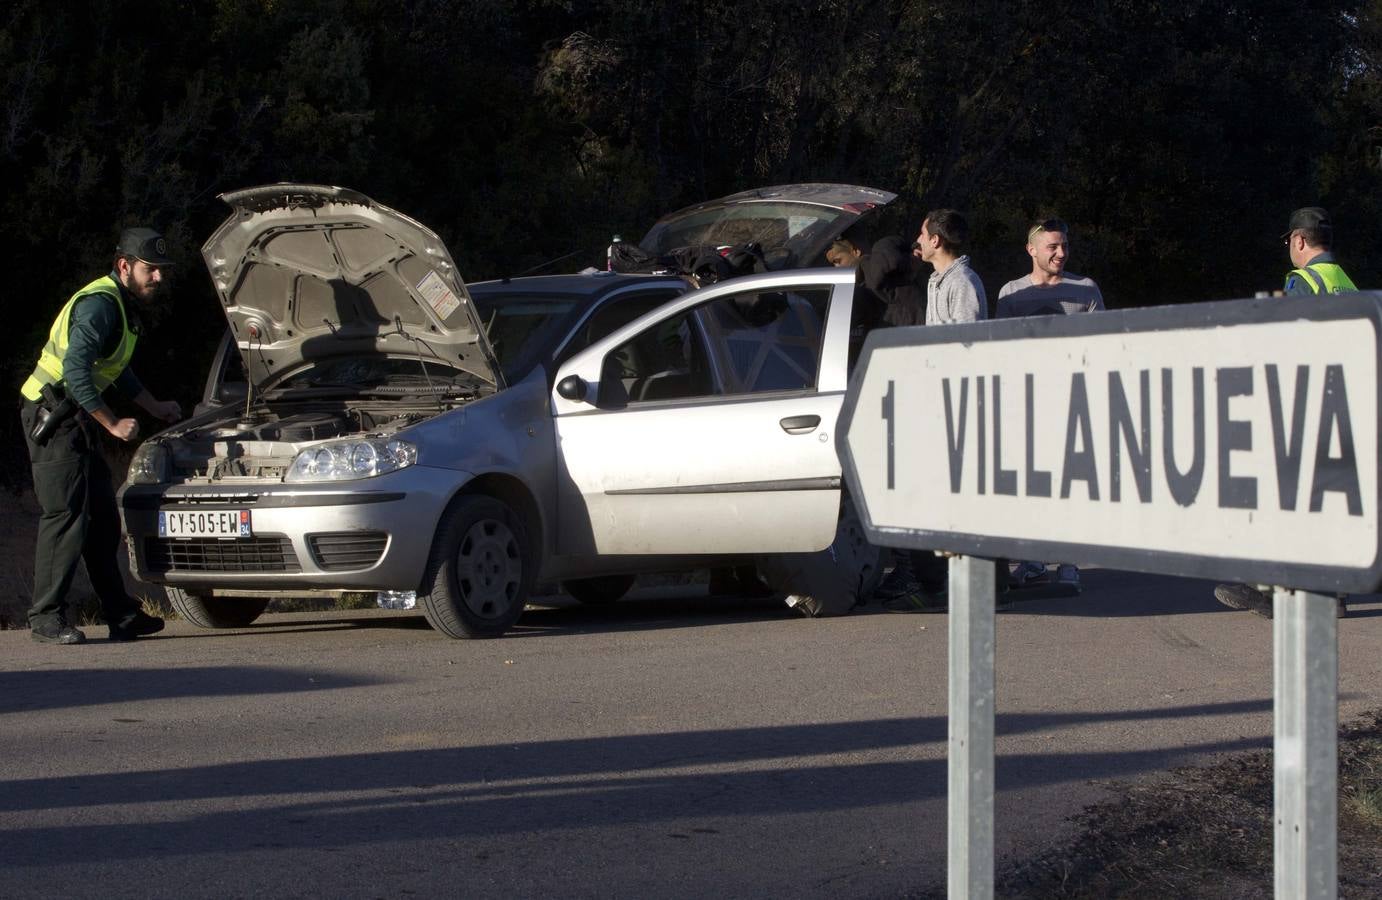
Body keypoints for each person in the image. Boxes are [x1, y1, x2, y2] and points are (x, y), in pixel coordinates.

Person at [20, 227, 183, 644]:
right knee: (65, 517)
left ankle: (121, 615)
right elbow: (75, 371)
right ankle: (45, 618)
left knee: (102, 521)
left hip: (74, 419)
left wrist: (153, 406)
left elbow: (115, 369)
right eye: (152, 269)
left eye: (163, 270)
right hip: (53, 420)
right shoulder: (100, 305)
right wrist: (112, 423)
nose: (159, 278)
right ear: (124, 266)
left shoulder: (119, 305)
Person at [1214, 207, 1356, 619]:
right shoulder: (1345, 283)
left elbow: (1286, 342)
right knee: (1326, 501)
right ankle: (1335, 594)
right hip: (1342, 404)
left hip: (1305, 403)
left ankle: (1272, 589)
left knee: (1282, 497)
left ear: (1298, 241)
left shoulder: (1304, 281)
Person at [997, 218, 1105, 594]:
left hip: (1072, 404)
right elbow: (1001, 353)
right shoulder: (1011, 294)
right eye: (1052, 247)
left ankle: (1069, 563)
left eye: (1063, 246)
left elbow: (1102, 349)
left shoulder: (1086, 290)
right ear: (1032, 250)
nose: (1060, 253)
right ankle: (1031, 561)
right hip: (1026, 406)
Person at [912, 209, 986, 324]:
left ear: (934, 240)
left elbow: (966, 336)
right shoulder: (938, 281)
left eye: (923, 234)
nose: (918, 240)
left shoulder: (962, 282)